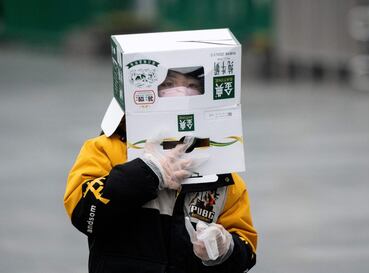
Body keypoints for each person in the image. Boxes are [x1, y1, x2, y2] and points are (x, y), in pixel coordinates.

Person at [63, 68, 257, 273]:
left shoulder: (222, 169)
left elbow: (247, 251)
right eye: (168, 84)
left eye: (192, 86)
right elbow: (85, 215)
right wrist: (146, 171)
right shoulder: (105, 149)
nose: (181, 94)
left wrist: (225, 249)